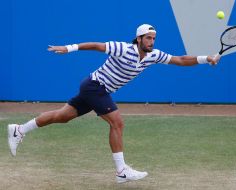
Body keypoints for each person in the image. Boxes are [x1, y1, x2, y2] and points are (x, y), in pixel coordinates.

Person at [7, 24, 220, 183]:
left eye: (153, 39)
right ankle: (121, 171)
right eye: (148, 38)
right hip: (95, 86)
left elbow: (180, 60)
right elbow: (96, 45)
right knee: (117, 123)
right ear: (138, 39)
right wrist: (69, 48)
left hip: (97, 90)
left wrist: (205, 58)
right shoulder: (122, 48)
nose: (152, 42)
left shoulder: (153, 56)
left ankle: (18, 130)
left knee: (62, 117)